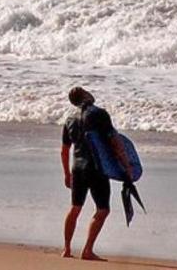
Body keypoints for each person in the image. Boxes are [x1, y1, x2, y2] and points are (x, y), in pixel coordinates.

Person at [59, 86, 129, 260]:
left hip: (78, 169)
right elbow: (115, 141)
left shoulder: (70, 120)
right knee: (103, 210)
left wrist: (67, 174)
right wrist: (127, 166)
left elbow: (64, 150)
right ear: (85, 95)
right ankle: (87, 250)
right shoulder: (99, 114)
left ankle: (67, 249)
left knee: (75, 208)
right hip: (97, 169)